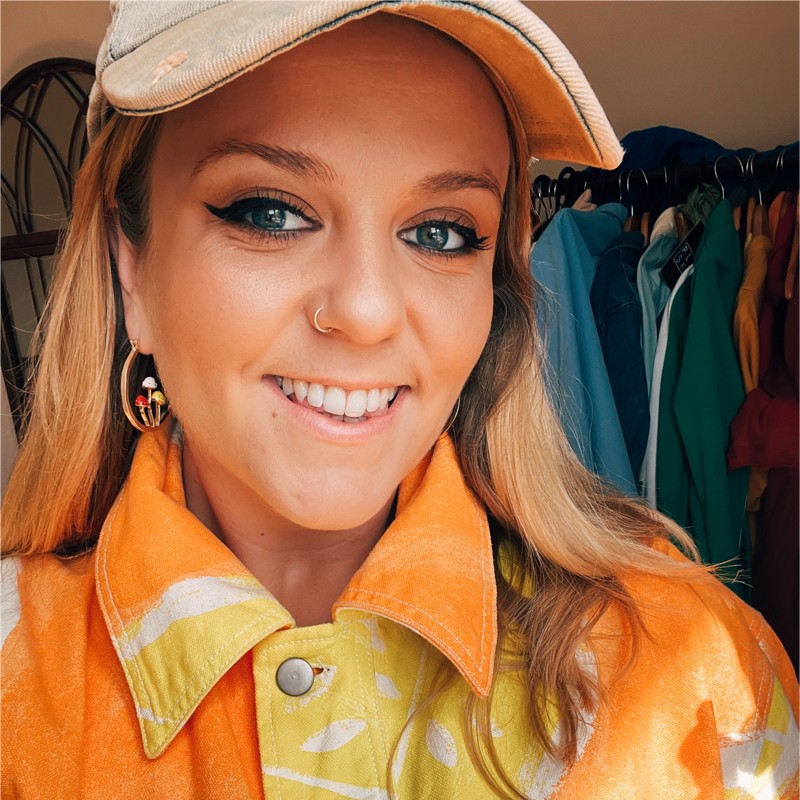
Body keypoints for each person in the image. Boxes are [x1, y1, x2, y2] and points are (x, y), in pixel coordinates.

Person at [1, 1, 797, 798]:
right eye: (271, 212)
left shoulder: (693, 675)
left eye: (442, 232)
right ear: (131, 264)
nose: (370, 310)